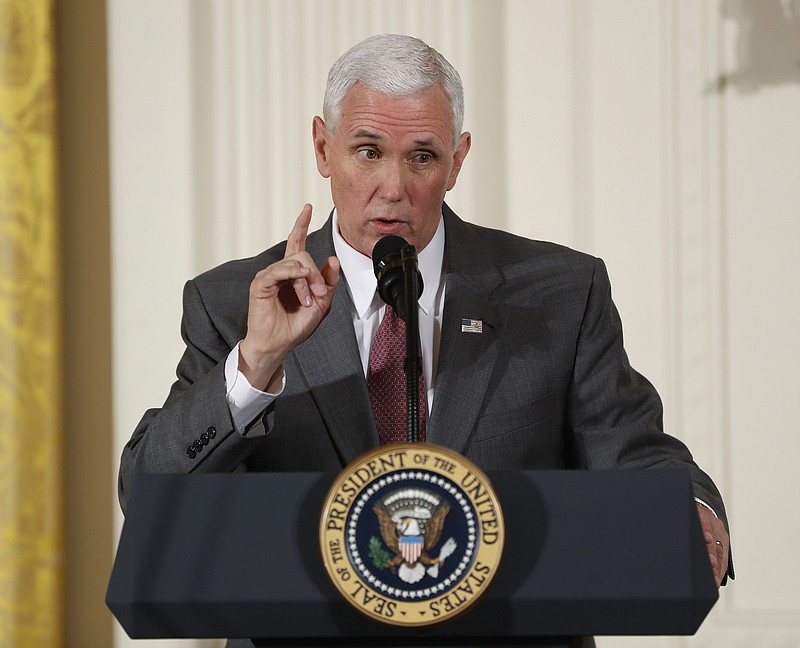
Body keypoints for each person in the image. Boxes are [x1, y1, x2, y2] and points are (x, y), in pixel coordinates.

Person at [118, 34, 732, 646]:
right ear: (322, 147)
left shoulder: (559, 294)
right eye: (367, 151)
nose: (393, 186)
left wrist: (693, 513)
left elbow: (631, 452)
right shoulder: (233, 305)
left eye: (421, 157)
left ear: (458, 161)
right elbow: (148, 495)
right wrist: (254, 366)